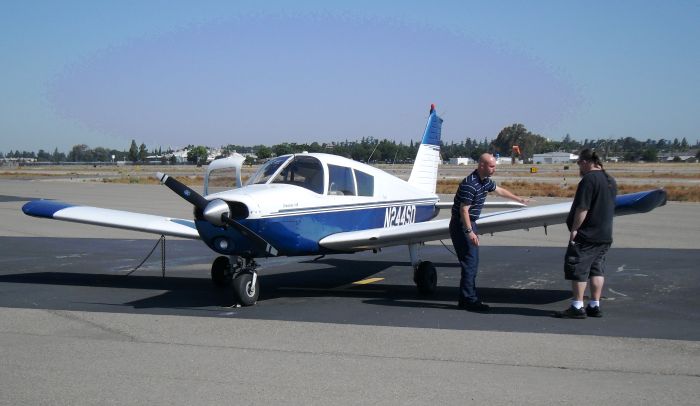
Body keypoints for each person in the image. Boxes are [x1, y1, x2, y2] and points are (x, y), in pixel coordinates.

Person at [450, 153, 530, 312]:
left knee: (471, 263)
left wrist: (518, 199)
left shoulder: (484, 181)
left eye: (494, 166)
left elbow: (499, 190)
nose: (494, 169)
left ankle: (465, 298)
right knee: (470, 263)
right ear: (481, 165)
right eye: (491, 166)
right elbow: (463, 210)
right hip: (462, 226)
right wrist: (469, 232)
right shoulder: (470, 184)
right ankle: (469, 300)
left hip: (469, 224)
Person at [554, 148, 617, 319]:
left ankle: (577, 306)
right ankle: (594, 305)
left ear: (585, 162)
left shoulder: (589, 180)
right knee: (597, 270)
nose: (579, 167)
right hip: (605, 234)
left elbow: (583, 207)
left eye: (579, 163)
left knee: (579, 269)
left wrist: (575, 229)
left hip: (588, 234)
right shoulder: (610, 179)